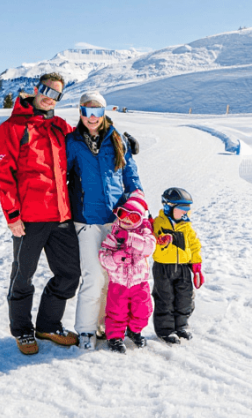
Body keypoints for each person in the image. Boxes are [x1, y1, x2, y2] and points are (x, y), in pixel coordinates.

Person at [0, 72, 80, 355]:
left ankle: (48, 325)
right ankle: (22, 330)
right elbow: (2, 172)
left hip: (61, 217)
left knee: (69, 273)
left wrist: (118, 143)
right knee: (23, 276)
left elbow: (87, 146)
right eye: (46, 90)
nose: (49, 96)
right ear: (36, 89)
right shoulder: (13, 127)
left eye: (55, 94)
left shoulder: (61, 127)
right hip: (29, 218)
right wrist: (13, 215)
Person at [66, 91, 143, 350]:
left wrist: (136, 206)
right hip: (87, 219)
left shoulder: (117, 139)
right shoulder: (73, 142)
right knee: (93, 276)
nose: (92, 117)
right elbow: (61, 176)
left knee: (114, 276)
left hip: (117, 219)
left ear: (104, 113)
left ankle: (106, 325)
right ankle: (86, 330)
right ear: (80, 113)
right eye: (87, 112)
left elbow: (131, 178)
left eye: (97, 112)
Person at [98, 193, 156, 354]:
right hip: (119, 284)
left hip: (140, 283)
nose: (127, 220)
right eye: (123, 214)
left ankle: (135, 330)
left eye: (133, 217)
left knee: (143, 309)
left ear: (140, 219)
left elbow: (149, 247)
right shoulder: (113, 236)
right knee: (117, 311)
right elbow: (103, 257)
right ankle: (115, 337)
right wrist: (115, 258)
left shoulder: (144, 234)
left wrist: (130, 238)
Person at [151, 187, 203, 344]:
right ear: (169, 207)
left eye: (188, 209)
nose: (185, 213)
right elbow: (151, 242)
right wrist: (160, 241)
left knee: (185, 297)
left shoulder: (186, 226)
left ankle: (181, 326)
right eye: (182, 209)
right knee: (165, 298)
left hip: (183, 268)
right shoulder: (158, 223)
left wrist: (196, 266)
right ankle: (165, 330)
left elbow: (194, 245)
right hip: (163, 267)